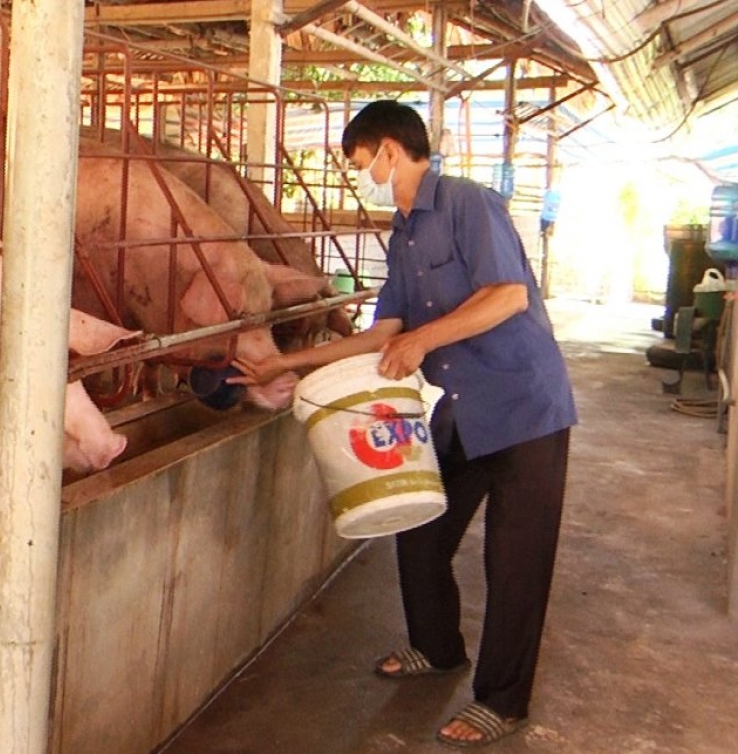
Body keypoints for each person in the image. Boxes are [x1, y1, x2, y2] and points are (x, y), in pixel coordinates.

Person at [230, 100, 577, 748]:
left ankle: (502, 701)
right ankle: (436, 647)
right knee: (417, 522)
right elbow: (384, 331)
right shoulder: (405, 232)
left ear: (391, 150)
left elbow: (508, 296)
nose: (364, 174)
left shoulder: (469, 205)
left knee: (515, 561)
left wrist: (426, 341)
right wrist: (289, 360)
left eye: (363, 163)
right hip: (464, 410)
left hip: (527, 406)